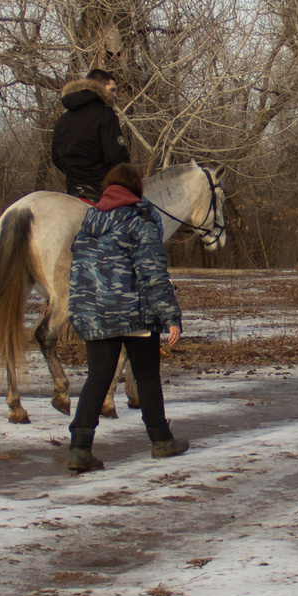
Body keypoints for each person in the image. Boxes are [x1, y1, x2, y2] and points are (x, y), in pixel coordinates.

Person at [63, 162, 186, 472]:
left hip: (95, 315)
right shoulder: (140, 222)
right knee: (146, 376)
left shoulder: (89, 221)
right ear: (136, 190)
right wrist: (171, 316)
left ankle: (79, 448)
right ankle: (160, 440)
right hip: (134, 314)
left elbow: (77, 271)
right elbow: (153, 275)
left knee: (97, 377)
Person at [53, 68, 131, 199]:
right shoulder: (105, 115)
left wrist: (76, 175)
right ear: (99, 88)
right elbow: (117, 158)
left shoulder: (63, 119)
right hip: (101, 191)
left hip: (73, 190)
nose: (115, 95)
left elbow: (55, 158)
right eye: (112, 90)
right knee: (143, 214)